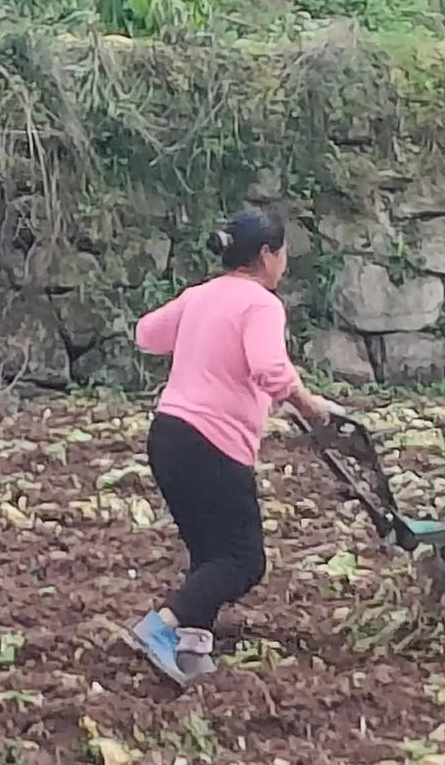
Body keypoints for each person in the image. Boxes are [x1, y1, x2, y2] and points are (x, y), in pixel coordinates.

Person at [128, 207, 340, 684]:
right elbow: (269, 369)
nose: (284, 261)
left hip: (168, 436)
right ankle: (159, 626)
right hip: (213, 444)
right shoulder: (261, 304)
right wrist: (310, 406)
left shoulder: (201, 295)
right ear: (266, 254)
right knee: (244, 560)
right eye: (282, 252)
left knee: (210, 554)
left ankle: (193, 649)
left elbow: (147, 334)